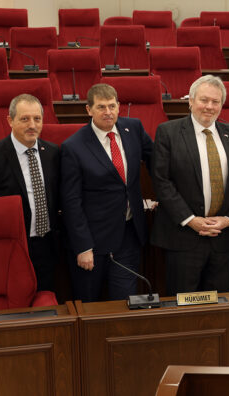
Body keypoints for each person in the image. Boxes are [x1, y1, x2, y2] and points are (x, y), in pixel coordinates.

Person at [151, 75, 229, 295]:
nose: (209, 106)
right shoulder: (168, 132)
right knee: (183, 305)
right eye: (204, 100)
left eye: (216, 102)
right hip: (183, 237)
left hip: (221, 238)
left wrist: (228, 219)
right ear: (190, 101)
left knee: (217, 304)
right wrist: (190, 220)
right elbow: (161, 181)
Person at [60, 83, 154, 302]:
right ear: (88, 110)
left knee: (125, 302)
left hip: (129, 234)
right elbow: (71, 201)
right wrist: (83, 246)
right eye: (101, 107)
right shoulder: (73, 147)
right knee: (89, 304)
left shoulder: (134, 128)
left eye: (112, 106)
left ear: (119, 106)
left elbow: (156, 162)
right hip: (94, 241)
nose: (108, 112)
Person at [0, 94, 59, 291]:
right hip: (11, 248)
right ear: (10, 121)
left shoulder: (53, 153)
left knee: (46, 302)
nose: (32, 125)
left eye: (37, 119)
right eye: (24, 119)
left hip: (48, 245)